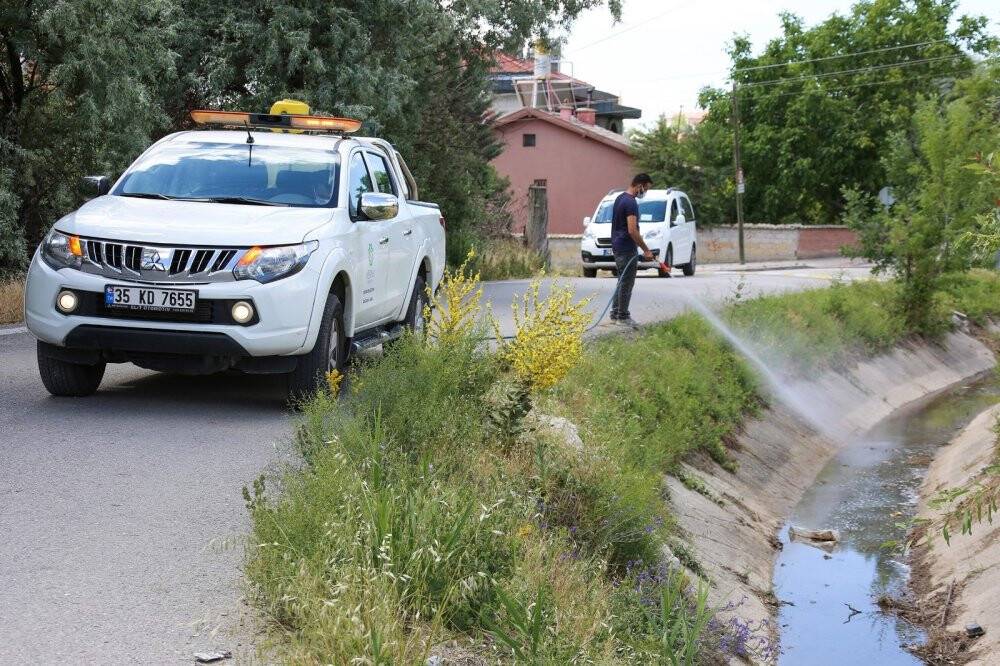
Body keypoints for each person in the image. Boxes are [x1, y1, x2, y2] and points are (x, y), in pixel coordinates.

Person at [610, 173, 655, 327]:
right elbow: (632, 230)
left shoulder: (619, 198)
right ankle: (622, 317)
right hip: (626, 248)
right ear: (639, 185)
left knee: (621, 281)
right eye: (646, 188)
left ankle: (615, 312)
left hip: (617, 245)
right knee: (627, 283)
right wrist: (646, 250)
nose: (645, 192)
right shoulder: (631, 203)